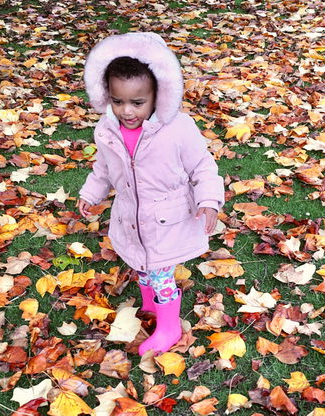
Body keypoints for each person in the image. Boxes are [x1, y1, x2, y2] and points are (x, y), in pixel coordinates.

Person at [78, 32, 225, 356]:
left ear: (159, 95)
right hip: (132, 216)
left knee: (159, 272)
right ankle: (151, 305)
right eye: (118, 101)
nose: (127, 111)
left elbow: (202, 165)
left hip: (166, 218)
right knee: (142, 264)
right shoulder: (107, 131)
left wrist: (209, 200)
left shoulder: (178, 128)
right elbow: (103, 169)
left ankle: (169, 326)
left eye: (137, 102)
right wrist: (92, 193)